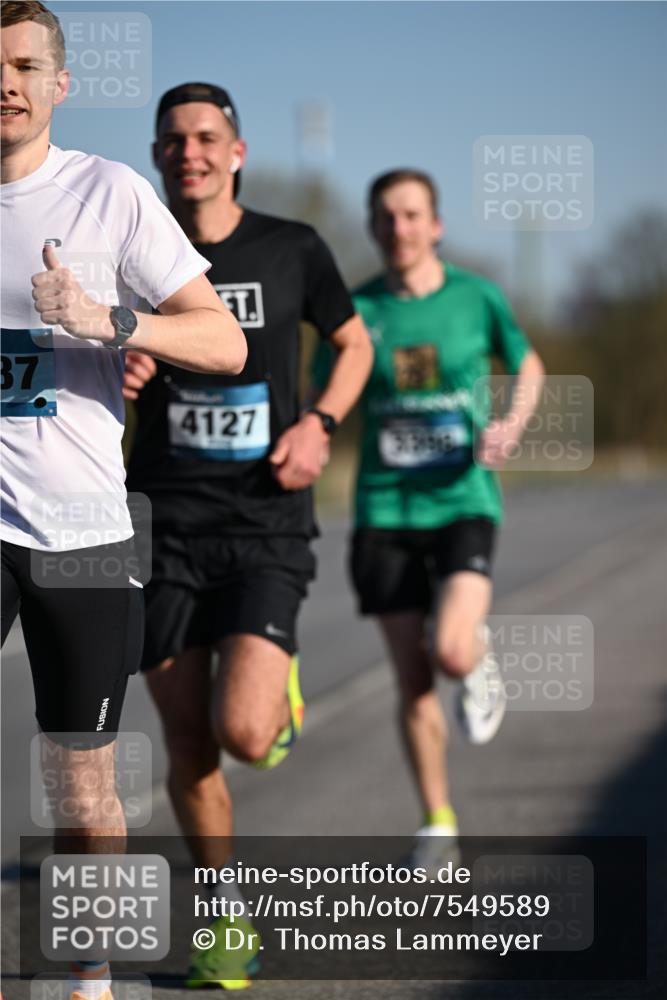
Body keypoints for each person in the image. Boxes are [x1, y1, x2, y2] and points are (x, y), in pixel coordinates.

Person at [0, 7, 246, 1000]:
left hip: (85, 538)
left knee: (80, 781)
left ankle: (91, 977)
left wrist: (110, 318)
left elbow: (223, 340)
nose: (6, 84)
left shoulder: (109, 193)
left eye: (26, 66)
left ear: (59, 84)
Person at [123, 83, 372, 988]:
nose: (187, 152)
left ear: (236, 153)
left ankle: (275, 700)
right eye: (171, 140)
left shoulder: (290, 246)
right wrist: (120, 363)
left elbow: (354, 344)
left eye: (205, 137)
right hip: (162, 523)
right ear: (157, 157)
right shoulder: (131, 252)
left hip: (265, 519)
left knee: (242, 730)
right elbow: (86, 358)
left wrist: (320, 424)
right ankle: (226, 919)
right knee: (188, 743)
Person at [312, 168, 545, 870]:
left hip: (462, 500)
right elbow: (327, 395)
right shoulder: (356, 309)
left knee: (449, 650)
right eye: (385, 217)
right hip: (384, 508)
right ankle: (438, 822)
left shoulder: (477, 297)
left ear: (435, 225)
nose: (399, 228)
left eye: (411, 215)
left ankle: (475, 657)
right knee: (412, 682)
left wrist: (510, 423)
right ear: (372, 227)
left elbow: (528, 364)